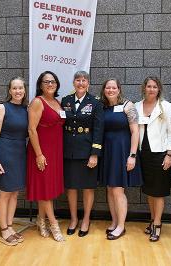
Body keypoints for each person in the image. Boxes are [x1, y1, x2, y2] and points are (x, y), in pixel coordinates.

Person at [99, 78, 143, 240]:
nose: (110, 90)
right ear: (104, 90)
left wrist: (132, 155)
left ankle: (121, 226)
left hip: (122, 152)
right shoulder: (102, 107)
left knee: (118, 190)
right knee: (110, 189)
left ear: (119, 89)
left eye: (114, 87)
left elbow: (135, 132)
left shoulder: (127, 106)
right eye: (107, 87)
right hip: (108, 152)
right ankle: (114, 221)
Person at [61, 71, 104, 237]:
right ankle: (73, 218)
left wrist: (94, 154)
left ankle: (86, 219)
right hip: (69, 150)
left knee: (87, 187)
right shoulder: (66, 101)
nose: (81, 83)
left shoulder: (95, 103)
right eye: (78, 80)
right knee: (71, 187)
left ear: (88, 83)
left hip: (87, 151)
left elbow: (99, 130)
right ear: (73, 83)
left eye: (84, 80)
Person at [26, 71, 65, 242]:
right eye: (46, 81)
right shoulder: (37, 102)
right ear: (40, 85)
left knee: (47, 188)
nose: (50, 84)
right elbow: (31, 130)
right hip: (41, 151)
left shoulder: (57, 101)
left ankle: (41, 220)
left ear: (56, 84)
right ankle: (54, 224)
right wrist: (39, 154)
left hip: (55, 150)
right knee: (45, 190)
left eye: (53, 81)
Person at [135, 77, 171, 242]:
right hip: (143, 154)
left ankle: (157, 224)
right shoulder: (137, 106)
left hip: (160, 154)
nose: (151, 89)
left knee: (158, 192)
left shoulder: (166, 106)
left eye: (154, 87)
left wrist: (169, 154)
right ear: (144, 88)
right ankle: (152, 219)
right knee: (149, 190)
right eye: (149, 86)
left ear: (159, 89)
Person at [0, 77, 28, 246]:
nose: (18, 91)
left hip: (20, 154)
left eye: (20, 88)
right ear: (9, 91)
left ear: (24, 90)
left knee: (15, 192)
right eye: (14, 88)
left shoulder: (25, 109)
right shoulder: (2, 107)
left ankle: (10, 226)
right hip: (6, 153)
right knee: (5, 193)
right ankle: (3, 229)